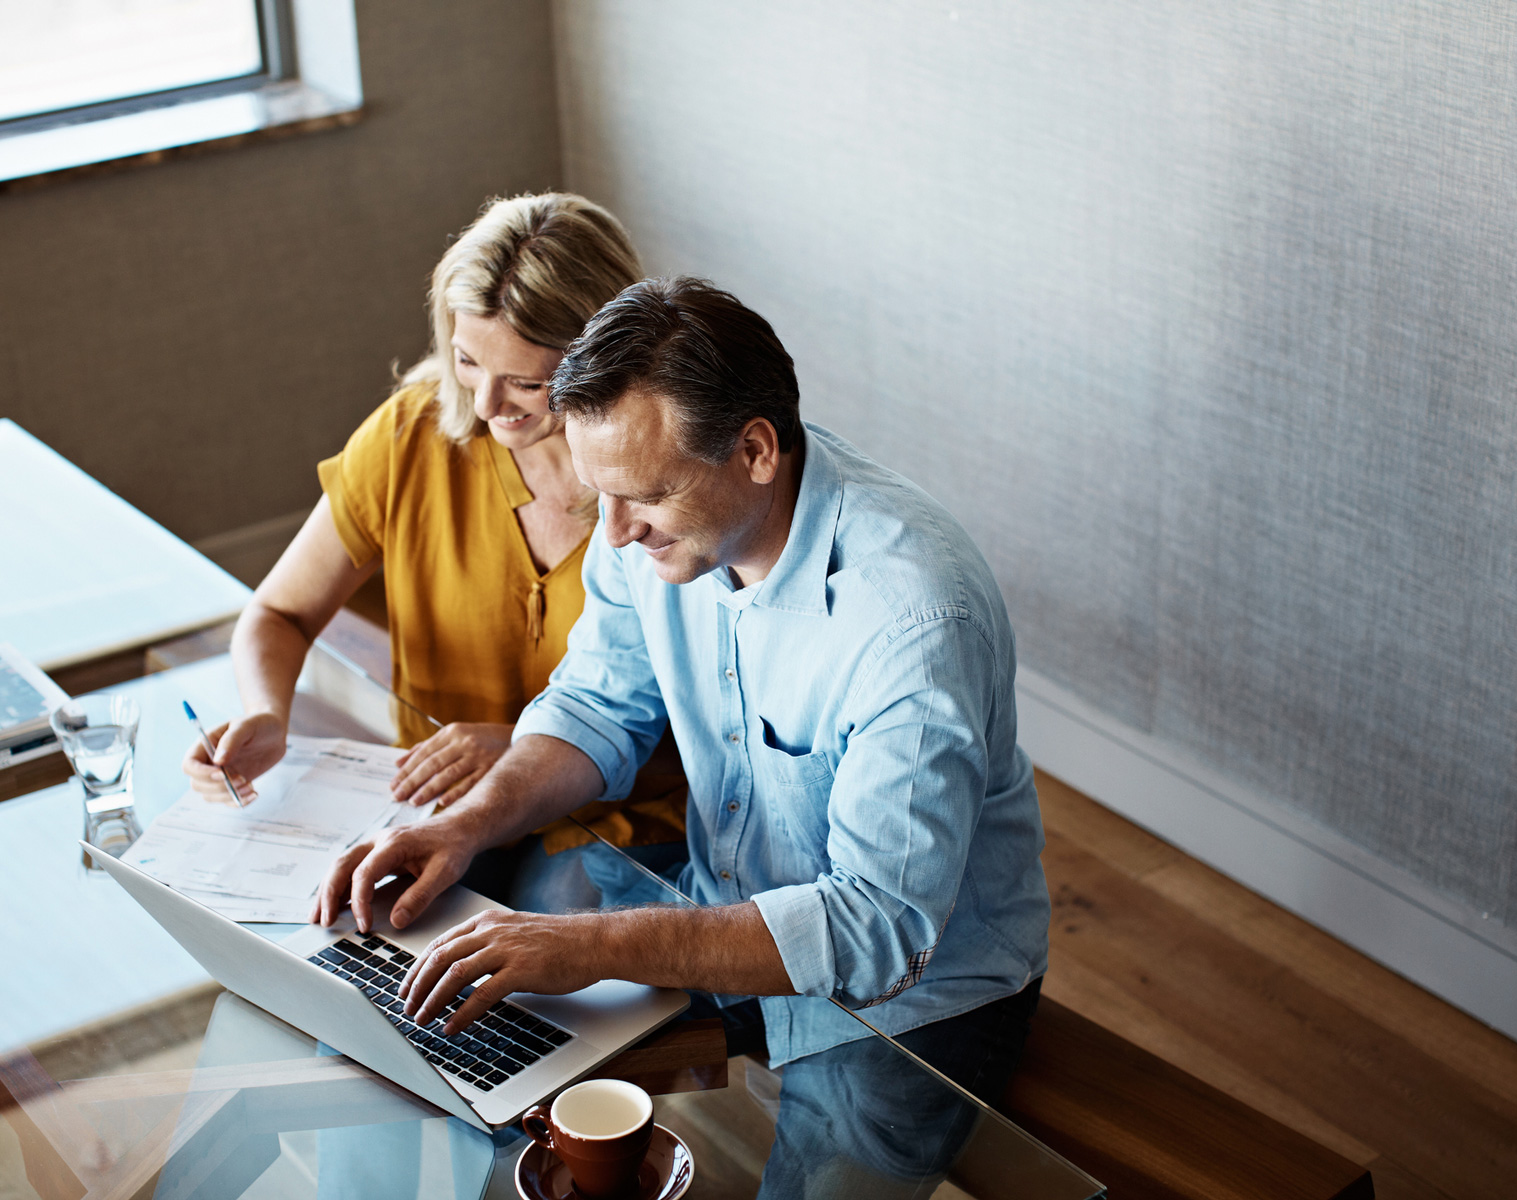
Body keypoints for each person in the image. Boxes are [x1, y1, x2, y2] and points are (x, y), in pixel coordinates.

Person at [312, 277, 1051, 1197]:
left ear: (755, 450)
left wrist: (588, 947)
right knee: (473, 1088)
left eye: (645, 498)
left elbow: (878, 928)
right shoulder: (646, 529)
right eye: (600, 496)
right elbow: (595, 706)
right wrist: (466, 823)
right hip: (723, 900)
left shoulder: (913, 619)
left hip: (916, 1000)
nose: (613, 535)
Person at [182, 194, 687, 907]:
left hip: (613, 819)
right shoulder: (409, 436)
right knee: (352, 928)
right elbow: (281, 613)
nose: (486, 405)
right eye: (467, 363)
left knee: (544, 958)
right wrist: (266, 712)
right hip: (434, 803)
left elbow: (713, 716)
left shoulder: (665, 473)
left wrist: (520, 744)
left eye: (527, 382)